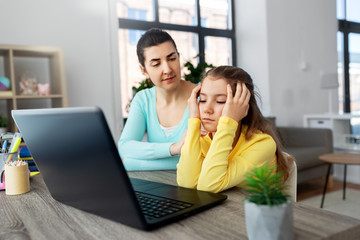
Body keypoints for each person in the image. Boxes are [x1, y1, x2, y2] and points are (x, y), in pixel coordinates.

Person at [177, 65, 291, 193]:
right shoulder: (202, 139)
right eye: (202, 100)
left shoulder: (263, 144)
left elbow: (208, 187)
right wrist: (193, 121)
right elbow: (187, 184)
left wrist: (228, 122)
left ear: (241, 106)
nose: (207, 109)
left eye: (220, 101)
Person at [118, 28, 197, 171]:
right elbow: (125, 147)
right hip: (157, 183)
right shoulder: (143, 99)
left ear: (179, 57)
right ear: (144, 70)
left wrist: (132, 163)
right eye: (156, 64)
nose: (167, 69)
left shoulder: (203, 96)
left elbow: (202, 160)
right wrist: (174, 149)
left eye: (172, 59)